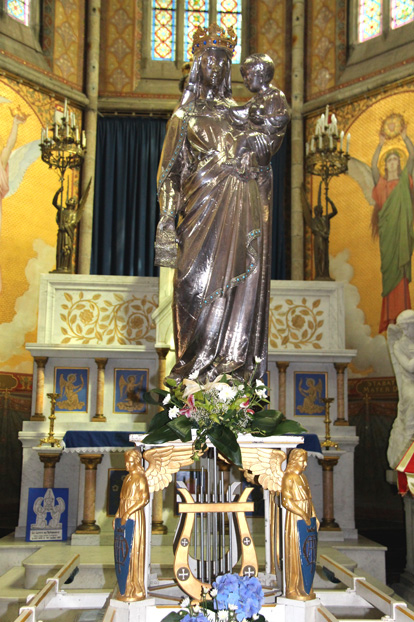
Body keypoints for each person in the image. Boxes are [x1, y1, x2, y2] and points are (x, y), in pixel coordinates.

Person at [155, 24, 288, 384]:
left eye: (222, 60)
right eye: (208, 59)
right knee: (190, 286)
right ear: (197, 64)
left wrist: (261, 151)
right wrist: (167, 219)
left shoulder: (243, 113)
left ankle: (231, 373)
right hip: (199, 213)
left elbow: (265, 152)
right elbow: (169, 174)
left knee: (238, 285)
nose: (215, 66)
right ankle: (192, 375)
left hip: (241, 208)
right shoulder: (183, 118)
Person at [371, 128, 414, 333]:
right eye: (389, 160)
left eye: (396, 159)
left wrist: (405, 139)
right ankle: (388, 318)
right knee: (389, 274)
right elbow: (372, 168)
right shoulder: (381, 185)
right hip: (388, 238)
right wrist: (380, 145)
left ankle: (405, 316)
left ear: (400, 163)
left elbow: (413, 158)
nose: (393, 163)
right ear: (386, 166)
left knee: (401, 276)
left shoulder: (406, 180)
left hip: (403, 237)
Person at [281, 449, 319, 600]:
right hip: (296, 519)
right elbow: (286, 501)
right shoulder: (289, 477)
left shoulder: (303, 478)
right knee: (296, 552)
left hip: (307, 517)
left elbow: (309, 499)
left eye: (305, 461)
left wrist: (314, 516)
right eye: (302, 461)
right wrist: (303, 514)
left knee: (308, 554)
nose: (305, 464)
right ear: (295, 461)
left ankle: (306, 586)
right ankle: (293, 588)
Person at [114, 449, 149, 601]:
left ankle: (135, 587)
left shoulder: (140, 478)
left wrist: (128, 512)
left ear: (135, 462)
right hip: (124, 513)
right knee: (122, 551)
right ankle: (125, 585)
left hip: (134, 516)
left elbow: (144, 500)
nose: (126, 465)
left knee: (133, 549)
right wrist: (118, 513)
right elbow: (122, 499)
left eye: (129, 462)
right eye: (125, 462)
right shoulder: (127, 478)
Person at [387, 310, 414, 467]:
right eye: (404, 327)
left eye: (409, 327)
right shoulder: (398, 345)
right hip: (409, 386)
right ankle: (410, 445)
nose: (406, 331)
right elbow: (409, 367)